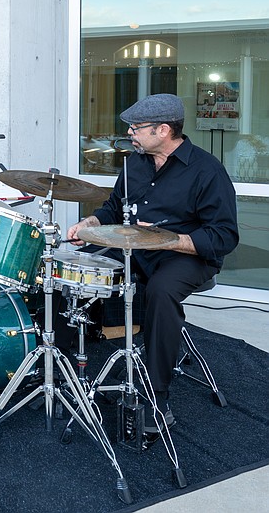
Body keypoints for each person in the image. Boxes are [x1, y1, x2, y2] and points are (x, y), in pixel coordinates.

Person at [57, 93, 239, 433]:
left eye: (137, 128)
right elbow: (113, 208)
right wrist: (89, 225)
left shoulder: (207, 171)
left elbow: (224, 237)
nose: (130, 134)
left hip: (187, 257)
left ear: (163, 130)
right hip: (136, 251)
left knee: (160, 291)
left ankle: (158, 396)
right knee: (73, 268)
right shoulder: (134, 165)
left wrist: (166, 239)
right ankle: (62, 369)